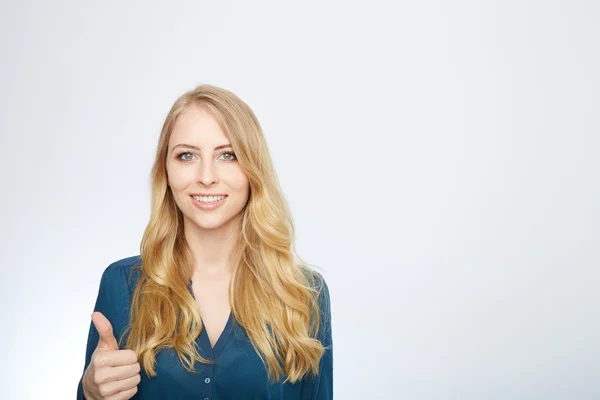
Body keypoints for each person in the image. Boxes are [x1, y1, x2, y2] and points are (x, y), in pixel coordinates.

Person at [76, 84, 333, 399]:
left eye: (227, 155)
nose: (207, 176)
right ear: (166, 172)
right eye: (187, 156)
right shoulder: (122, 284)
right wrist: (91, 392)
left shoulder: (303, 294)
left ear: (253, 168)